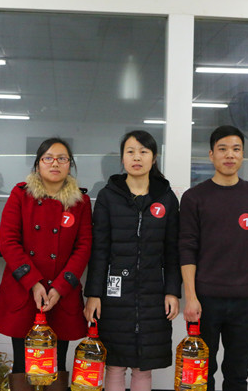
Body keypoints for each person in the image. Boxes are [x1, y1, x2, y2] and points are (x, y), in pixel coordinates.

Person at [0, 138, 92, 391]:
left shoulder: (80, 201)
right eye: (48, 158)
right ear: (38, 164)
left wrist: (60, 288)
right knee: (22, 361)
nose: (55, 163)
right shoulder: (21, 195)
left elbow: (84, 247)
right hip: (25, 290)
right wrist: (33, 283)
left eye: (62, 158)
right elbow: (9, 241)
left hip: (62, 292)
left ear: (70, 164)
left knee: (58, 361)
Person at [84, 130, 181, 391]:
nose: (137, 157)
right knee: (114, 362)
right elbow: (99, 250)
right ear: (122, 158)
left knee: (143, 365)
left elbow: (173, 251)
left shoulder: (166, 198)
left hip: (153, 293)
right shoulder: (108, 196)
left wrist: (172, 291)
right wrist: (93, 294)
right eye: (130, 152)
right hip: (114, 294)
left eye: (143, 152)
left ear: (154, 157)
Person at [179, 125, 248, 391]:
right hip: (205, 300)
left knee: (237, 374)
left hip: (245, 300)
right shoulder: (194, 197)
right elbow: (186, 248)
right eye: (222, 149)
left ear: (242, 154)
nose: (229, 155)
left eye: (236, 149)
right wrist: (191, 296)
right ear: (211, 155)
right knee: (201, 374)